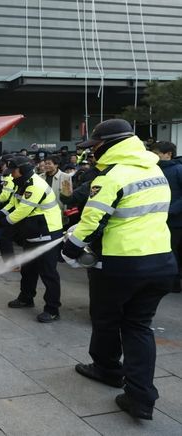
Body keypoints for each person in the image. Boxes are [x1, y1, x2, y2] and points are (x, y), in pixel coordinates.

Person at [62, 119, 177, 420]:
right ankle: (141, 398)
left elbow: (91, 221)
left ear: (110, 144)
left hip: (122, 264)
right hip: (161, 261)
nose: (93, 153)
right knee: (139, 326)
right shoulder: (155, 172)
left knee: (105, 318)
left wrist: (70, 248)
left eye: (95, 146)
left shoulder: (112, 176)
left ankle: (107, 369)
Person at [0, 156, 64, 322]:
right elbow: (14, 203)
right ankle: (26, 298)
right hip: (33, 232)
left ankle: (52, 309)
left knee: (48, 273)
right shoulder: (22, 183)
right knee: (28, 268)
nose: (11, 175)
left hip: (47, 232)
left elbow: (23, 210)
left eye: (14, 171)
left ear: (23, 170)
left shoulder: (36, 185)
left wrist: (4, 223)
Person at [150, 140, 182, 292]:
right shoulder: (152, 170)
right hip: (158, 219)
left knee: (173, 251)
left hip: (175, 221)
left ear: (168, 154)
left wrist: (170, 210)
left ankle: (174, 283)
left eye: (157, 154)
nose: (154, 157)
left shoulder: (178, 170)